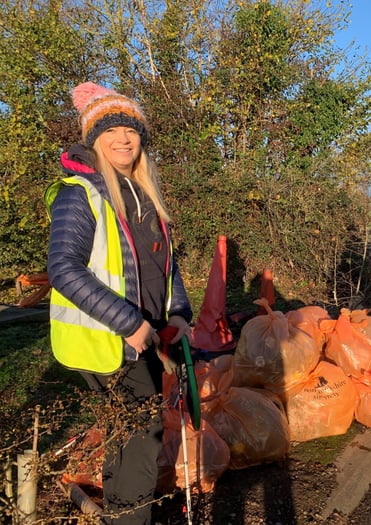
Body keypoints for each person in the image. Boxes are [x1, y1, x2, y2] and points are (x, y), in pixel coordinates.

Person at [45, 82, 193, 523]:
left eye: (131, 129)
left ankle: (118, 515)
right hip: (110, 340)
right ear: (94, 138)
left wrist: (180, 313)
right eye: (111, 130)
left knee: (126, 438)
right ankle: (130, 519)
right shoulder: (81, 194)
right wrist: (129, 323)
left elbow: (166, 265)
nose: (124, 138)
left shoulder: (141, 191)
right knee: (140, 443)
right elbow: (64, 269)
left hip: (141, 336)